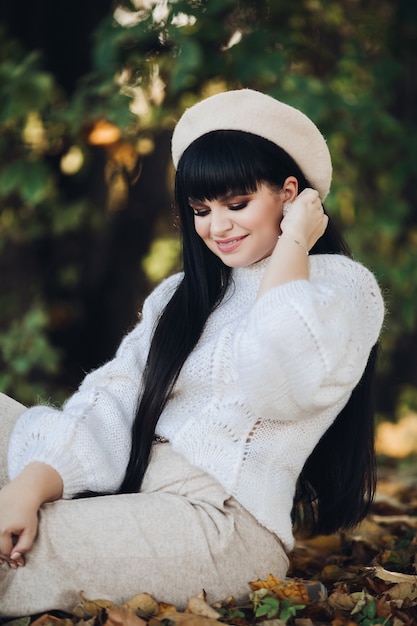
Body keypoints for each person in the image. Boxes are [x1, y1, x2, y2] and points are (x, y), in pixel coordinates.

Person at [0, 89, 384, 617]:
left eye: (237, 204)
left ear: (291, 194)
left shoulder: (340, 287)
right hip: (131, 480)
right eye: (201, 210)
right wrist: (29, 484)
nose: (216, 227)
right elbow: (115, 395)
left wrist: (294, 244)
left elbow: (278, 384)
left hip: (219, 521)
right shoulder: (182, 295)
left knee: (24, 546)